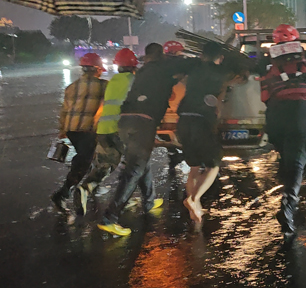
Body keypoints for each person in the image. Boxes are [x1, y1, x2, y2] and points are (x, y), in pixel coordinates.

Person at [98, 43, 199, 236]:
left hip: (125, 120)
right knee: (135, 168)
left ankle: (149, 201)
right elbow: (191, 65)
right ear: (162, 55)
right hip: (143, 122)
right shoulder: (165, 67)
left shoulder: (144, 70)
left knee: (139, 160)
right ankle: (109, 218)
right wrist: (179, 58)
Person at [258, 24, 306, 243]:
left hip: (274, 113)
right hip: (298, 111)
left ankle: (286, 190)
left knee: (285, 155)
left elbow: (253, 71)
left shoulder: (265, 59)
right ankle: (288, 206)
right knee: (297, 159)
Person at [177, 42, 242, 223]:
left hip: (183, 120)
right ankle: (193, 199)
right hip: (201, 121)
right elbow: (240, 77)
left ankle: (195, 210)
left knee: (194, 167)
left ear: (202, 55)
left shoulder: (193, 68)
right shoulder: (221, 72)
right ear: (219, 58)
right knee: (213, 164)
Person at [73, 48, 139, 216]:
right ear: (134, 66)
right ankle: (125, 197)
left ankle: (85, 188)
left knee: (105, 165)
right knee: (132, 165)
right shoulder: (134, 80)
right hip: (120, 130)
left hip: (103, 130)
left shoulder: (113, 80)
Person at [51, 53, 107, 212]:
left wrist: (62, 130)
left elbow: (64, 110)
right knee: (83, 161)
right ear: (97, 69)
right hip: (87, 129)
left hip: (71, 129)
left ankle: (93, 188)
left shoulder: (72, 86)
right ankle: (62, 194)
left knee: (88, 157)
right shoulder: (104, 85)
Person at [161, 41, 187, 169]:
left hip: (165, 113)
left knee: (167, 137)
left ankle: (173, 154)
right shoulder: (182, 66)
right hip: (181, 110)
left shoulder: (160, 66)